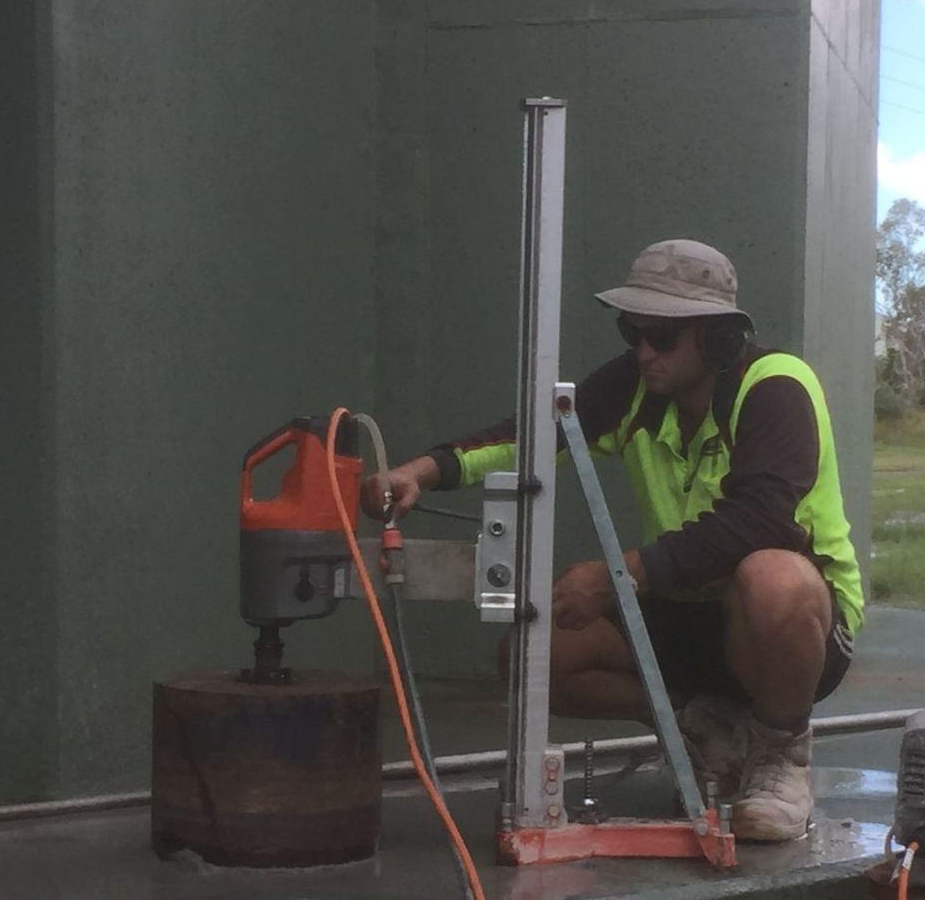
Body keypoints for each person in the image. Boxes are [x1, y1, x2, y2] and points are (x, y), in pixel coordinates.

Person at [362, 239, 862, 841]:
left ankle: (782, 753)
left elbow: (762, 519)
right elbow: (533, 434)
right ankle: (701, 724)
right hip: (684, 606)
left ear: (718, 338)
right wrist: (425, 470)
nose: (645, 352)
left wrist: (619, 574)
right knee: (531, 659)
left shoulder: (777, 386)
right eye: (633, 333)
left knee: (774, 576)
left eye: (662, 338)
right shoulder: (637, 388)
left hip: (788, 626)